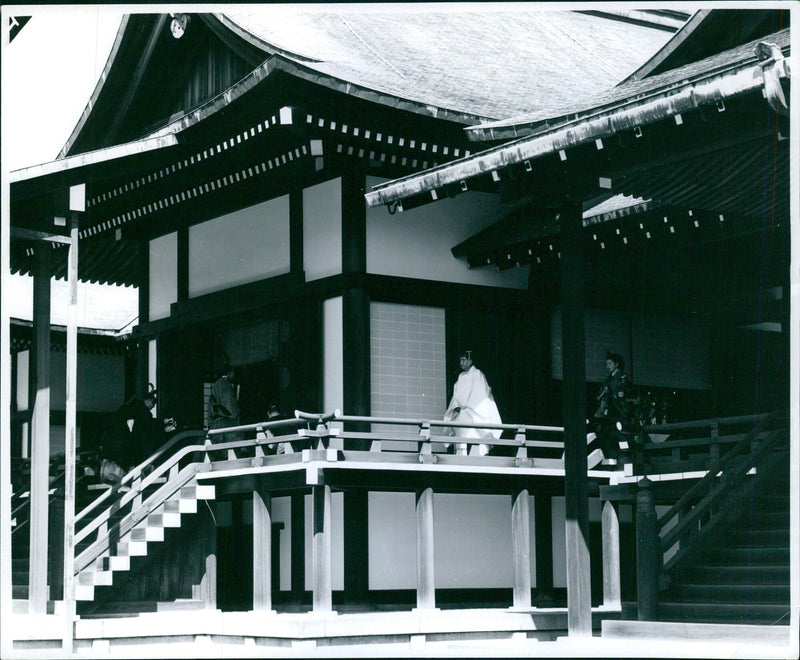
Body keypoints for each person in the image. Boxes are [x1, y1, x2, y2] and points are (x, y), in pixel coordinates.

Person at [100, 386, 175, 484]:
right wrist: (164, 427)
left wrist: (162, 423)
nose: (153, 407)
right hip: (120, 443)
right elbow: (148, 424)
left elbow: (145, 425)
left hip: (110, 442)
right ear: (149, 401)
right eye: (153, 404)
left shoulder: (129, 408)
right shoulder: (140, 408)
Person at [444, 351, 502, 456]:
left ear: (470, 361)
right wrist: (456, 406)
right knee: (461, 443)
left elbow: (480, 396)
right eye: (460, 360)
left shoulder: (478, 374)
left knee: (475, 439)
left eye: (463, 360)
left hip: (473, 414)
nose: (461, 363)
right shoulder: (461, 376)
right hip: (462, 414)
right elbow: (456, 396)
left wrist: (467, 406)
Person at [587, 352, 633, 466]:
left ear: (616, 364)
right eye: (607, 364)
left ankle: (621, 459)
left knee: (618, 435)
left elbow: (624, 394)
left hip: (618, 410)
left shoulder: (622, 377)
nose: (607, 366)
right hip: (609, 410)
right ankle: (609, 457)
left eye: (610, 363)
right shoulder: (609, 379)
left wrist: (613, 394)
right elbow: (601, 394)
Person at [208, 362, 241, 446]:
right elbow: (229, 405)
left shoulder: (216, 385)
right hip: (226, 424)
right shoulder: (225, 384)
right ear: (230, 372)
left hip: (215, 424)